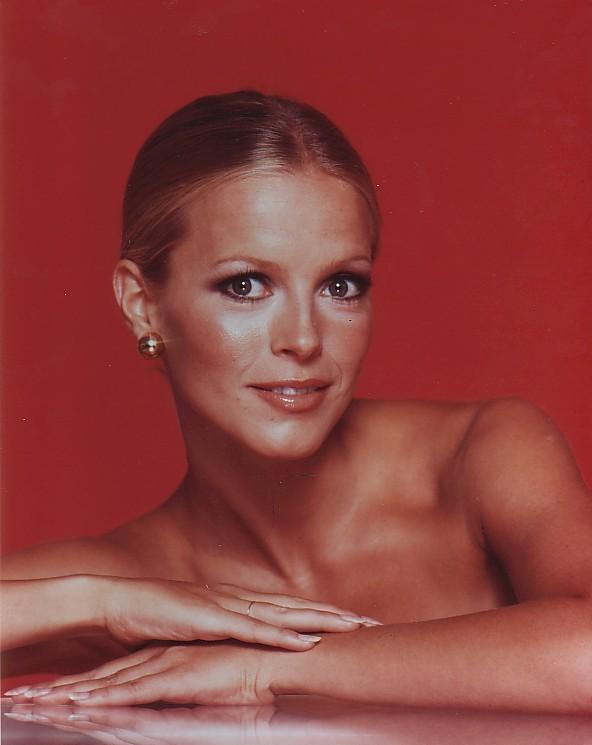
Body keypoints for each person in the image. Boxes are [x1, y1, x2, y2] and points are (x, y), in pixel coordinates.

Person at [2, 90, 592, 712]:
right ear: (143, 305)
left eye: (341, 285)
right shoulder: (130, 583)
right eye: (246, 285)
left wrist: (265, 669)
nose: (305, 339)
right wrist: (94, 602)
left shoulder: (475, 457)